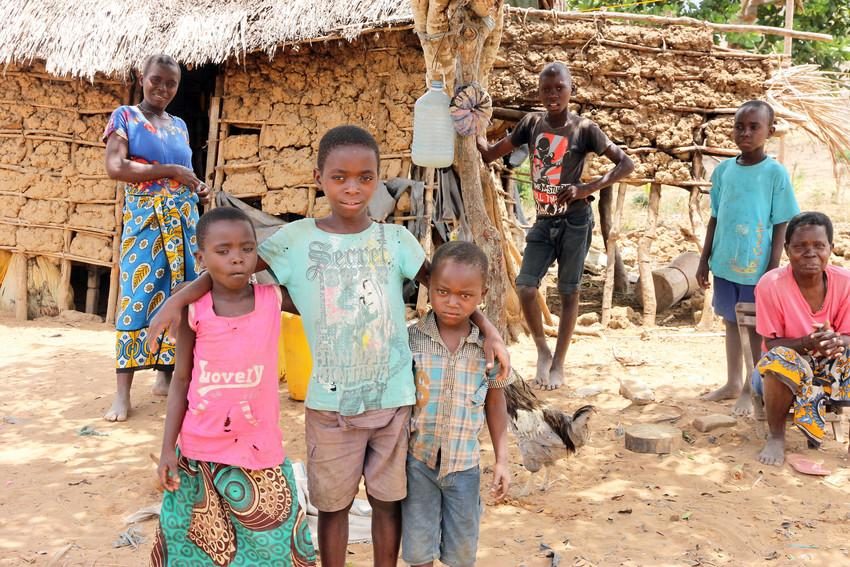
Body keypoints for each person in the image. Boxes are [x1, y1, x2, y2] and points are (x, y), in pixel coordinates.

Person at [148, 125, 510, 567]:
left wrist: (488, 328)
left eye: (364, 177)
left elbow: (449, 288)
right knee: (333, 507)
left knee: (386, 503)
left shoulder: (396, 241)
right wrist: (179, 297)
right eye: (339, 177)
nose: (352, 188)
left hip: (393, 403)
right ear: (319, 177)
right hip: (330, 408)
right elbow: (231, 269)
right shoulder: (294, 240)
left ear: (378, 178)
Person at [151, 207, 315, 565]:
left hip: (259, 451)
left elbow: (312, 283)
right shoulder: (196, 309)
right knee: (195, 549)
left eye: (246, 249)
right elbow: (181, 380)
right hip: (199, 451)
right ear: (201, 257)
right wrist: (167, 449)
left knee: (274, 547)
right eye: (223, 251)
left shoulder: (273, 301)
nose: (237, 259)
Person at [477, 61, 634, 390]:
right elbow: (492, 154)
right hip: (544, 221)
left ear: (570, 89)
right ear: (539, 91)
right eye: (546, 89)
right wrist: (471, 130)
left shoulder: (585, 129)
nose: (552, 95)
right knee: (525, 286)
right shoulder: (530, 124)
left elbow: (626, 164)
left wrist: (585, 189)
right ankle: (543, 350)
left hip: (576, 220)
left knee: (569, 291)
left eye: (559, 88)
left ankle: (560, 362)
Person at [102, 54, 209, 422]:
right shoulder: (125, 117)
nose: (163, 89)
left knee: (181, 291)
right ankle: (122, 395)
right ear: (141, 77)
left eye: (171, 83)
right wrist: (171, 171)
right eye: (156, 80)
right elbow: (115, 167)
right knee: (137, 294)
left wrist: (197, 188)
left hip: (183, 219)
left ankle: (167, 376)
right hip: (145, 220)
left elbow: (186, 173)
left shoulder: (179, 124)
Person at [402, 240, 512, 567]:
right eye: (442, 291)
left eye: (466, 296)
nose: (452, 302)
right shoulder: (411, 341)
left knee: (461, 554)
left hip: (464, 467)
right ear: (429, 288)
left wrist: (503, 460)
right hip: (417, 463)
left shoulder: (488, 350)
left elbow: (496, 403)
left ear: (483, 296)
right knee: (418, 551)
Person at [696, 100, 799, 416]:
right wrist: (704, 260)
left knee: (755, 329)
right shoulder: (724, 171)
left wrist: (772, 269)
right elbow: (715, 217)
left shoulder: (774, 173)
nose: (746, 132)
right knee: (730, 322)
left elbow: (782, 222)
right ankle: (732, 382)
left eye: (754, 126)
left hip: (757, 268)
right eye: (740, 126)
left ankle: (751, 388)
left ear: (770, 129)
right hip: (725, 263)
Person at [752, 212, 850, 466]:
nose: (810, 254)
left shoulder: (846, 282)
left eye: (819, 246)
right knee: (779, 361)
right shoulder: (770, 284)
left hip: (829, 365)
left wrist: (837, 341)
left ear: (831, 248)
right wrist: (808, 342)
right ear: (786, 250)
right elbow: (771, 344)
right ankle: (775, 437)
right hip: (776, 373)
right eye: (800, 247)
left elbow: (848, 336)